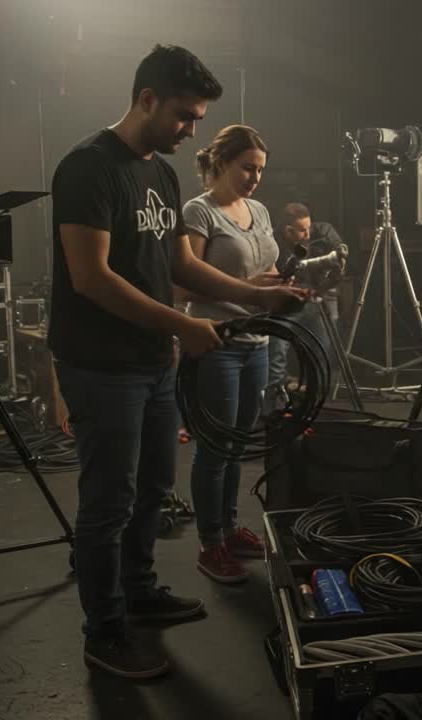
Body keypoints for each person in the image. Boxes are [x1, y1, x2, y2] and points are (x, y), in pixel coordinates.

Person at [48, 45, 304, 680]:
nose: (193, 129)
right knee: (107, 501)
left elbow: (181, 266)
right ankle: (104, 632)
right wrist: (185, 326)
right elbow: (91, 278)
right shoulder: (88, 167)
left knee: (154, 487)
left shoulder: (159, 174)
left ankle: (137, 591)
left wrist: (254, 297)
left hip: (153, 361)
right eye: (186, 115)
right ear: (146, 100)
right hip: (102, 364)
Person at [180, 125, 281, 584]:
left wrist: (288, 286)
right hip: (217, 343)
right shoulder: (198, 212)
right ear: (222, 164)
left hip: (256, 342)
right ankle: (210, 543)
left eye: (260, 170)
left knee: (238, 446)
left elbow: (266, 268)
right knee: (215, 448)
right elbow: (183, 283)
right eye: (247, 168)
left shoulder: (257, 209)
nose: (254, 178)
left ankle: (229, 528)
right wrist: (249, 291)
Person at [265, 202, 343, 411]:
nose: (309, 234)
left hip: (314, 300)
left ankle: (315, 405)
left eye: (309, 227)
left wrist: (338, 251)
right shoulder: (272, 245)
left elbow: (331, 238)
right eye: (302, 230)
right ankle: (276, 409)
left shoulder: (319, 230)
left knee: (322, 350)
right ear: (288, 231)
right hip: (286, 304)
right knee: (277, 355)